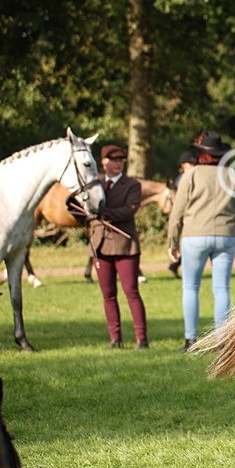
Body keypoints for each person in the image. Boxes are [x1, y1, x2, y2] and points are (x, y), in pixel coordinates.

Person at [167, 132, 235, 352]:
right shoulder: (233, 175)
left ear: (202, 154)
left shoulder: (191, 175)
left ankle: (190, 340)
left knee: (190, 287)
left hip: (194, 235)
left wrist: (172, 241)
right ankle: (221, 340)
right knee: (222, 288)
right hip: (226, 235)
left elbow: (177, 212)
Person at [88, 144, 149, 349]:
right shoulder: (93, 184)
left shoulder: (131, 184)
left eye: (121, 160)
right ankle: (115, 338)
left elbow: (129, 210)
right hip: (100, 245)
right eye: (114, 159)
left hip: (124, 246)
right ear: (104, 161)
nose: (118, 163)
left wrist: (105, 214)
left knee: (131, 292)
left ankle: (141, 338)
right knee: (108, 294)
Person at [166, 151, 197, 279]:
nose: (194, 166)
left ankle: (177, 265)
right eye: (191, 163)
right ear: (184, 165)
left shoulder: (192, 177)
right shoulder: (182, 179)